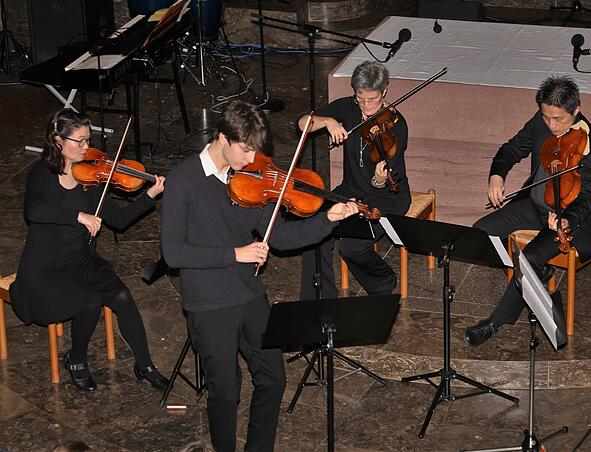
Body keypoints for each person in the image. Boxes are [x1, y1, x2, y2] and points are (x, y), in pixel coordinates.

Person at [160, 100, 360, 452]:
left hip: (249, 294)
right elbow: (173, 253)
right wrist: (234, 254)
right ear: (223, 138)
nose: (252, 160)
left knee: (273, 377)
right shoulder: (183, 181)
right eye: (246, 150)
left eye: (256, 151)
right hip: (208, 303)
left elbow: (281, 236)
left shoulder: (252, 179)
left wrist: (327, 220)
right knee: (225, 391)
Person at [10, 109, 169, 392]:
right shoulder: (41, 176)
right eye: (79, 141)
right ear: (58, 140)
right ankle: (77, 360)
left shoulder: (92, 177)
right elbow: (33, 211)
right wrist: (77, 216)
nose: (86, 147)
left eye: (87, 140)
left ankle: (144, 365)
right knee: (90, 301)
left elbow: (119, 220)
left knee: (121, 295)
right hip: (45, 265)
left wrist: (149, 196)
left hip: (80, 258)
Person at [464, 75, 591, 346]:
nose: (551, 125)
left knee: (529, 259)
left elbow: (587, 198)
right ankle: (537, 278)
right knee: (481, 233)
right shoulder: (541, 122)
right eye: (546, 117)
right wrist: (497, 175)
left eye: (559, 120)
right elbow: (511, 149)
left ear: (575, 110)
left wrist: (566, 220)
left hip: (571, 220)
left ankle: (495, 322)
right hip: (535, 205)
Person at [298, 60, 410, 300]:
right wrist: (328, 121)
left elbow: (387, 183)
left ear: (385, 91)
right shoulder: (348, 108)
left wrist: (379, 180)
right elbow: (302, 124)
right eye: (361, 98)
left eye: (374, 99)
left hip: (387, 197)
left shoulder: (398, 127)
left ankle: (383, 281)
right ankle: (319, 298)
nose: (367, 106)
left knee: (351, 248)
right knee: (313, 229)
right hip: (350, 190)